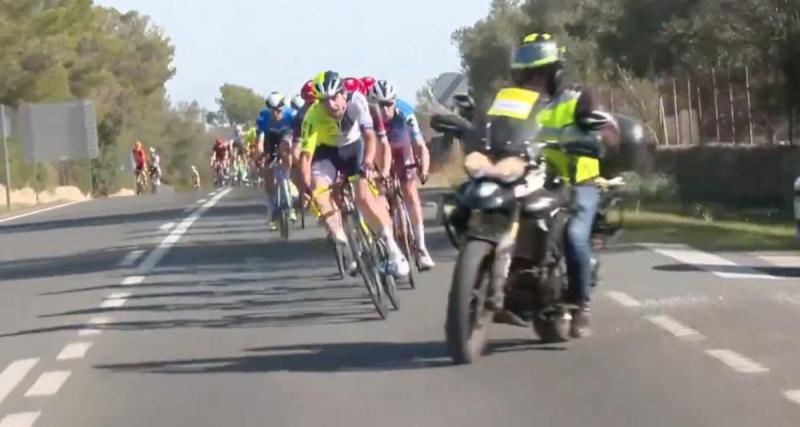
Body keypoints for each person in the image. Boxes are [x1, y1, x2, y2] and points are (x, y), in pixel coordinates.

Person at [505, 32, 617, 338]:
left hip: (578, 182)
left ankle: (582, 305)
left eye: (540, 72)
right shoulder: (516, 105)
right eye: (528, 73)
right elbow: (498, 131)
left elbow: (609, 130)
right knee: (501, 213)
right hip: (536, 180)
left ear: (554, 72)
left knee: (573, 233)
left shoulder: (579, 98)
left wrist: (591, 138)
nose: (534, 79)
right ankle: (510, 284)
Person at [300, 70, 409, 277]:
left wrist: (368, 162)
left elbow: (369, 137)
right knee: (318, 189)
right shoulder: (312, 116)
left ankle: (394, 252)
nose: (330, 105)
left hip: (355, 149)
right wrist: (306, 188)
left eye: (334, 98)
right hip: (328, 154)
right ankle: (343, 239)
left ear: (343, 93)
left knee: (364, 198)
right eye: (324, 101)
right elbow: (306, 157)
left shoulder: (357, 101)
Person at [370, 80, 435, 270]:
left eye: (388, 104)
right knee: (379, 195)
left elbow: (420, 145)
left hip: (401, 149)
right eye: (379, 105)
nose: (384, 110)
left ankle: (421, 248)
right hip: (380, 153)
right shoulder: (368, 117)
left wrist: (423, 169)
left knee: (410, 192)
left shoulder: (405, 113)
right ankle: (387, 243)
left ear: (395, 102)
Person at [257, 91, 298, 229]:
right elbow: (260, 140)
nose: (276, 114)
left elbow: (297, 135)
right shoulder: (263, 117)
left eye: (279, 110)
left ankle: (288, 178)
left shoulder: (291, 115)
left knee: (287, 147)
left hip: (286, 138)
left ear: (283, 107)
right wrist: (261, 154)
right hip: (270, 139)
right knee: (269, 179)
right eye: (273, 111)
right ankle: (270, 213)